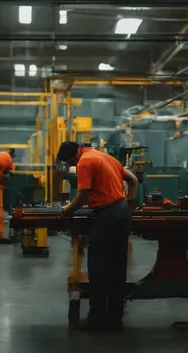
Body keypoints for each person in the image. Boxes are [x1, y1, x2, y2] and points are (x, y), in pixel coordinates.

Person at [57, 141, 138, 331]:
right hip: (121, 212)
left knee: (98, 265)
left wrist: (66, 210)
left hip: (107, 215)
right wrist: (129, 206)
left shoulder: (84, 162)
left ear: (72, 158)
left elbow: (83, 196)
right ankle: (115, 315)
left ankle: (97, 317)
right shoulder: (105, 157)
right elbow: (133, 180)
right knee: (117, 265)